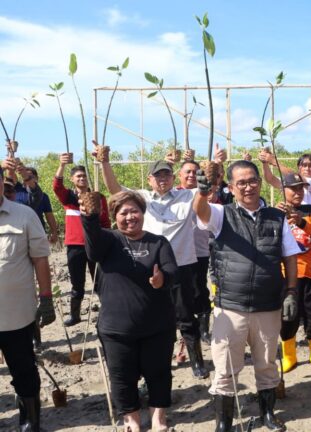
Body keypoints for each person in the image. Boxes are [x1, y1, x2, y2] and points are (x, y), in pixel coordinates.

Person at [97, 142, 225, 379]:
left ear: (173, 177)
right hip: (148, 267)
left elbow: (208, 190)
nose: (162, 179)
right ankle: (155, 362)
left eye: (166, 174)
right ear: (150, 180)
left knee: (186, 317)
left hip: (181, 266)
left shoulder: (188, 195)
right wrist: (104, 162)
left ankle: (197, 361)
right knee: (151, 316)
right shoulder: (142, 199)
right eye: (158, 175)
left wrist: (214, 167)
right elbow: (114, 189)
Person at [194, 160, 300, 432]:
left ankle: (268, 415)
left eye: (253, 180)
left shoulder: (276, 217)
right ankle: (224, 424)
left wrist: (291, 291)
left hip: (268, 306)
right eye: (241, 182)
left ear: (260, 182)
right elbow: (201, 211)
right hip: (231, 307)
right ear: (231, 187)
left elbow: (290, 257)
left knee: (267, 365)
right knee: (226, 368)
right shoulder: (222, 214)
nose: (248, 186)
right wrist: (202, 193)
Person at [81, 190, 177, 431]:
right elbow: (92, 249)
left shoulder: (158, 242)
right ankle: (131, 420)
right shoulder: (108, 240)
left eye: (135, 211)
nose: (130, 217)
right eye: (123, 213)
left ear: (143, 213)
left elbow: (172, 271)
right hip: (116, 328)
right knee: (122, 377)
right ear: (115, 216)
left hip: (157, 325)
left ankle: (158, 418)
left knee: (159, 373)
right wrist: (90, 218)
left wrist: (161, 279)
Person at [0, 164, 55, 432]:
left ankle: (30, 421)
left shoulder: (24, 215)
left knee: (23, 368)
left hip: (16, 314)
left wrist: (46, 298)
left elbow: (40, 259)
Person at [276, 173, 311, 373]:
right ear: (284, 190)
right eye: (293, 188)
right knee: (288, 316)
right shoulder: (275, 212)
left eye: (301, 188)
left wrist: (301, 222)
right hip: (286, 275)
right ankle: (289, 355)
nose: (298, 192)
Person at [53, 153, 110, 326]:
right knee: (77, 284)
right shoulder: (69, 198)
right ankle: (75, 315)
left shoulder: (98, 198)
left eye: (84, 176)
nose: (82, 178)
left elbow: (105, 222)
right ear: (72, 179)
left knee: (100, 281)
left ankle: (108, 313)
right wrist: (62, 165)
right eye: (78, 176)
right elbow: (57, 186)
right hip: (75, 246)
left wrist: (105, 241)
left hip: (94, 244)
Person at [175, 157, 214, 344]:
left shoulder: (205, 192)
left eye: (195, 172)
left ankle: (204, 329)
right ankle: (184, 325)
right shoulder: (174, 194)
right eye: (187, 172)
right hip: (179, 251)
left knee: (199, 289)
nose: (191, 175)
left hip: (199, 249)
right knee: (181, 291)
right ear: (179, 175)